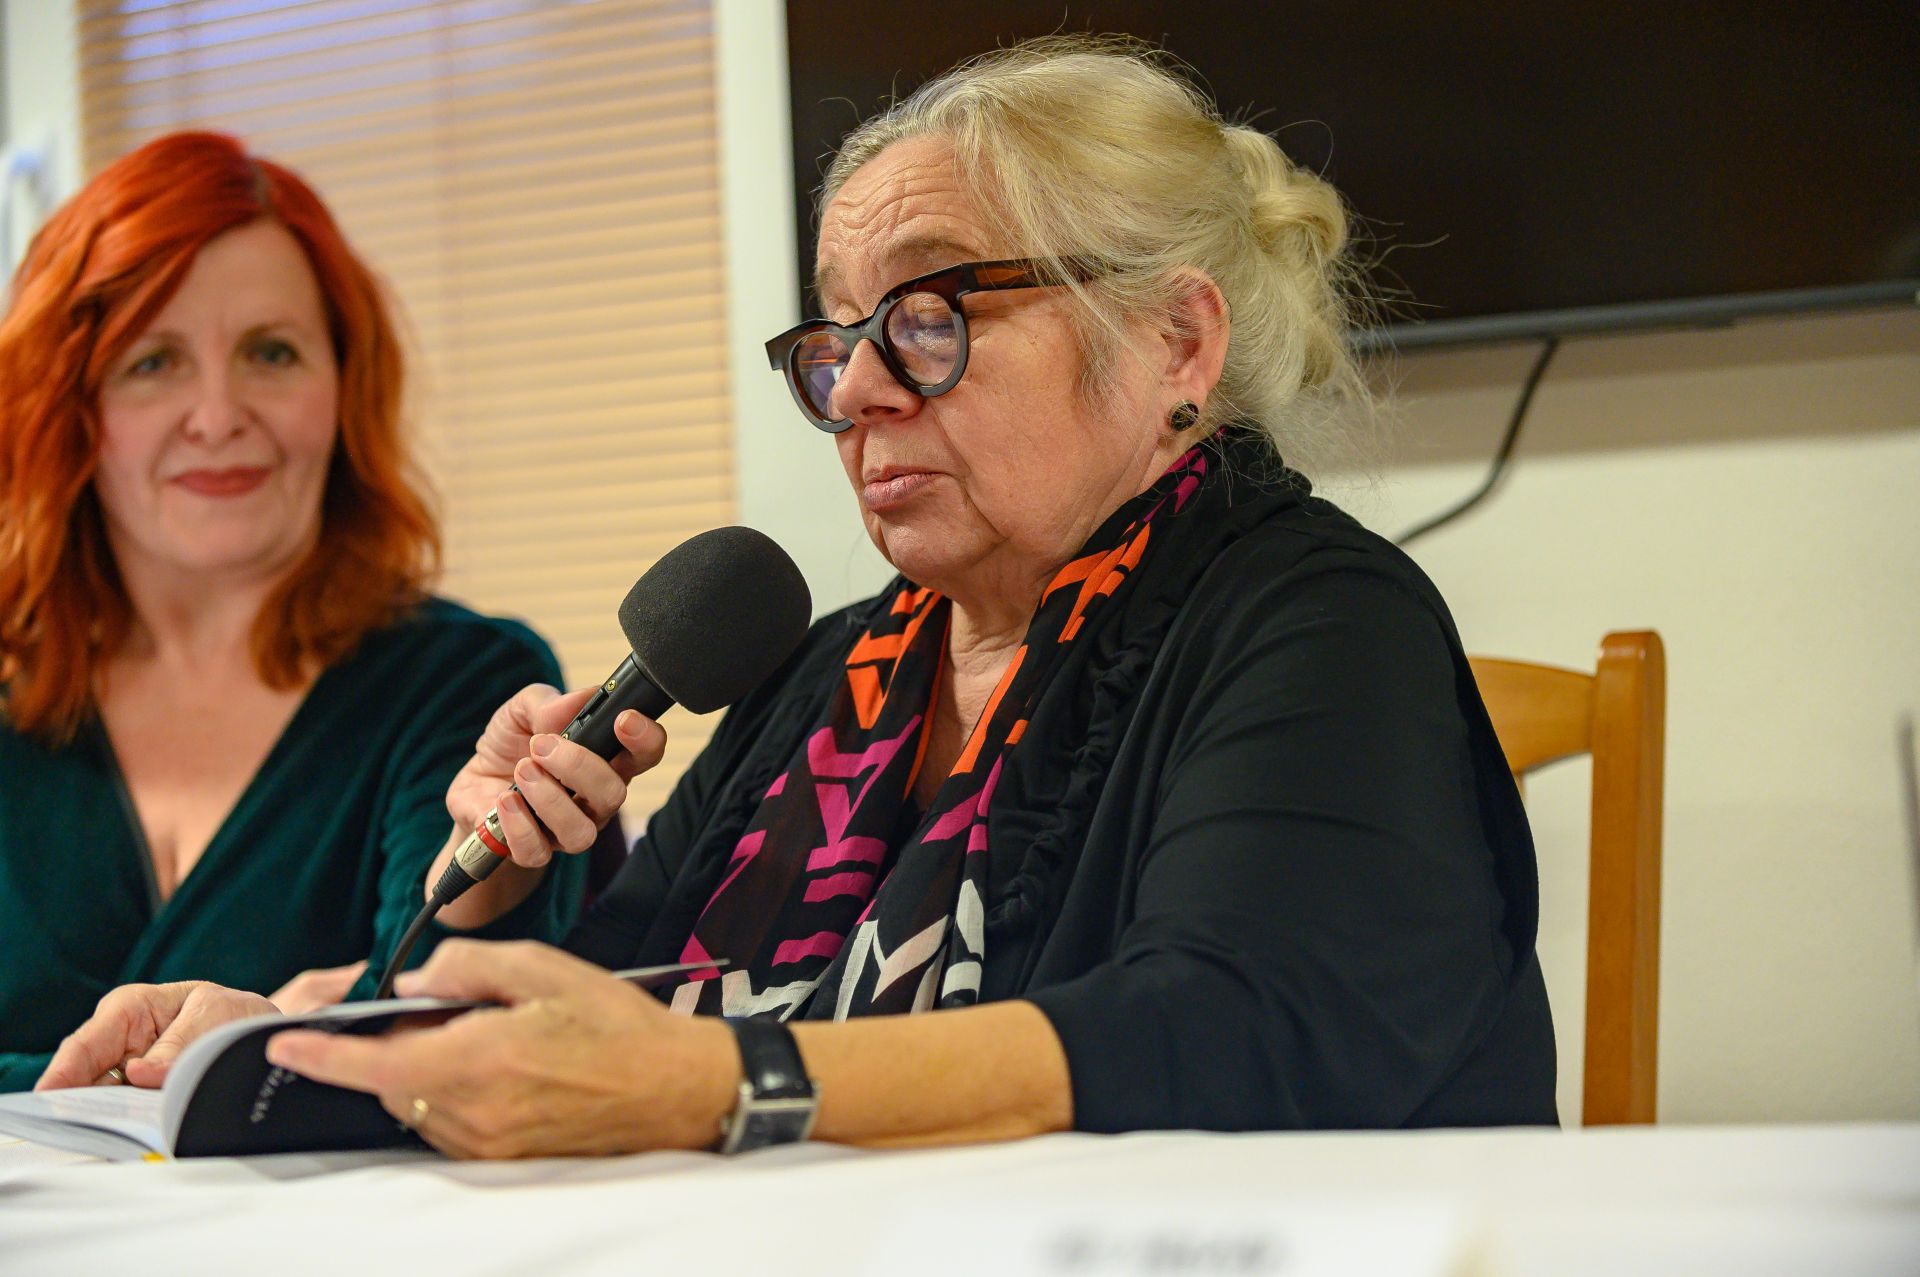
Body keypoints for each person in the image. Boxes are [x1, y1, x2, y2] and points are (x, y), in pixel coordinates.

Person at [42, 39, 1557, 1151]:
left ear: (1176, 341)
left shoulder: (1320, 619)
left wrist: (726, 1082)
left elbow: (1230, 1032)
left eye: (931, 316)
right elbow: (602, 1008)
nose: (861, 395)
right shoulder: (829, 673)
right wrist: (286, 1036)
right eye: (837, 342)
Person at [0, 132, 589, 1091]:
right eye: (153, 361)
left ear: (343, 388)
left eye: (270, 352)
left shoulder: (462, 681)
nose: (218, 414)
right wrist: (275, 1039)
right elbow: (359, 1027)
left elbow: (442, 1018)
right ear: (70, 410)